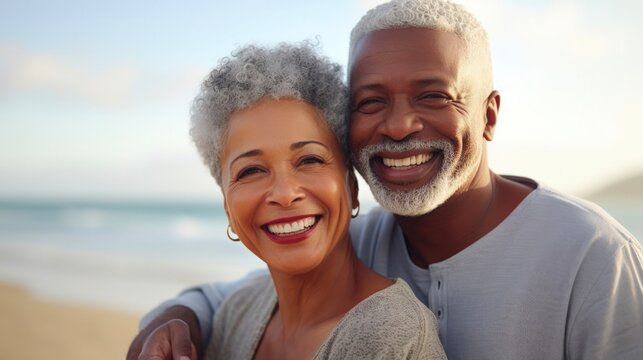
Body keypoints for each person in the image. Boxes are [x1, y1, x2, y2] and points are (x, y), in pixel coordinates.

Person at [128, 0, 643, 359]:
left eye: (434, 96)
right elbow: (225, 300)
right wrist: (174, 323)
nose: (398, 126)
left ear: (488, 116)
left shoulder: (592, 256)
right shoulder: (363, 240)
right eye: (371, 102)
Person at [143, 42, 447, 360]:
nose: (285, 193)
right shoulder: (237, 311)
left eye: (309, 160)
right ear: (227, 207)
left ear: (351, 186)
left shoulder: (392, 339)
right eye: (250, 171)